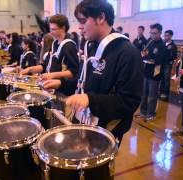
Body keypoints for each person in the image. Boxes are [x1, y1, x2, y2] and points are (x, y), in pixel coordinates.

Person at [42, 0, 143, 146]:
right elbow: (83, 82)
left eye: (83, 21)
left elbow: (128, 102)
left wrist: (90, 99)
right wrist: (61, 83)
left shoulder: (127, 52)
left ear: (101, 18)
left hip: (105, 132)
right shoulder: (91, 45)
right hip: (83, 120)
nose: (79, 27)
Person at [20, 14, 79, 80]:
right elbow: (46, 66)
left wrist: (52, 75)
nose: (51, 32)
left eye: (53, 29)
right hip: (52, 85)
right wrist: (29, 69)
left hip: (62, 88)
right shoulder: (55, 43)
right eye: (50, 29)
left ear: (63, 28)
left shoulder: (69, 45)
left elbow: (74, 72)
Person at [137, 23, 166, 121]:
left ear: (160, 33)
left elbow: (161, 60)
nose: (152, 35)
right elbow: (145, 54)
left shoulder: (162, 45)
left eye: (155, 33)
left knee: (152, 96)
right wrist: (144, 55)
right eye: (151, 33)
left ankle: (150, 114)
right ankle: (142, 112)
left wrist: (150, 59)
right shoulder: (150, 41)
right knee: (144, 94)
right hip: (146, 71)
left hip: (155, 74)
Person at [160, 30, 178, 100]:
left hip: (167, 64)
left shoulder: (173, 46)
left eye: (167, 35)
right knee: (161, 78)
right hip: (161, 64)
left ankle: (165, 93)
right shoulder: (162, 43)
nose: (165, 37)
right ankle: (161, 92)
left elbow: (174, 56)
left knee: (166, 79)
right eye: (164, 35)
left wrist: (166, 58)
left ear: (170, 36)